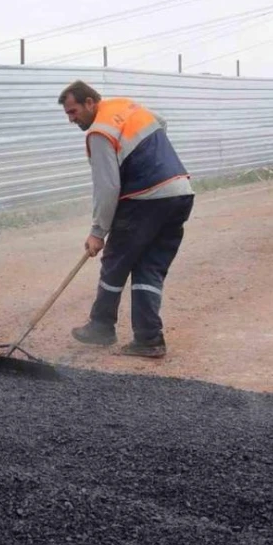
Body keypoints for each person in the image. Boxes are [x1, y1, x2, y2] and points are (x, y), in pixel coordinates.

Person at [58, 80, 194, 358]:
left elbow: (107, 187)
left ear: (89, 102)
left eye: (73, 112)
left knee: (115, 261)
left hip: (146, 197)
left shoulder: (99, 132)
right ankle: (148, 340)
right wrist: (151, 160)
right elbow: (161, 122)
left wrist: (98, 232)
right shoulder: (124, 105)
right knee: (149, 267)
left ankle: (101, 327)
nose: (71, 120)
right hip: (180, 192)